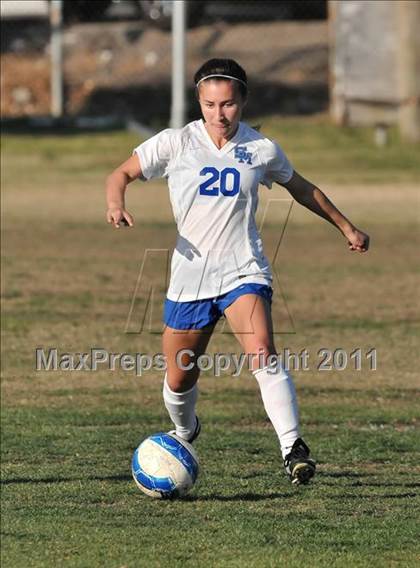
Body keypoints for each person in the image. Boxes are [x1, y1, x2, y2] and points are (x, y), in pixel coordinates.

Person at [105, 58, 369, 485]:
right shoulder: (175, 143)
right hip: (190, 276)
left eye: (228, 104)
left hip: (244, 269)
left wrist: (346, 226)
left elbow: (301, 188)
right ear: (199, 102)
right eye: (210, 104)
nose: (219, 114)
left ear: (242, 101)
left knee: (262, 351)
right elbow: (121, 173)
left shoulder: (262, 148)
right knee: (179, 375)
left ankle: (293, 447)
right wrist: (116, 204)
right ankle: (187, 431)